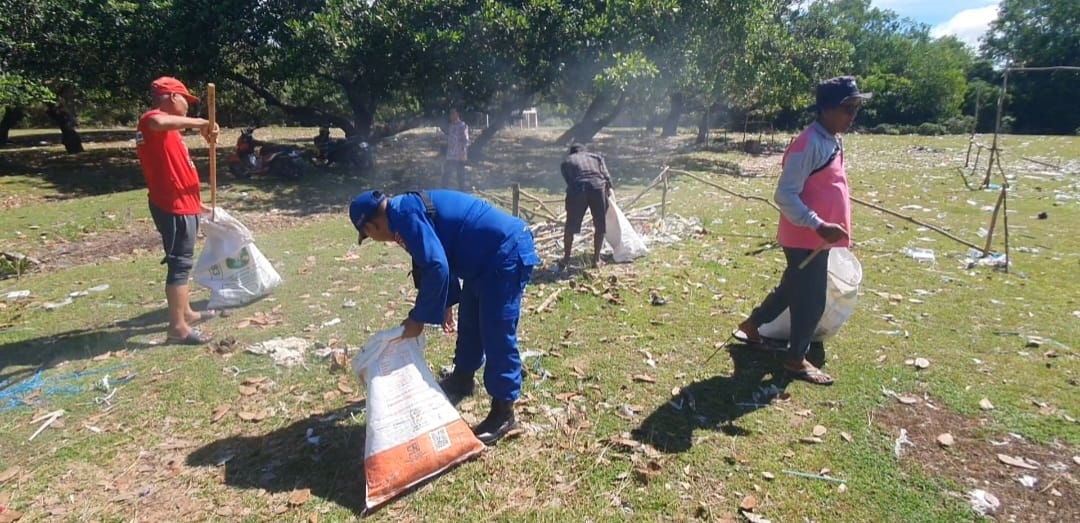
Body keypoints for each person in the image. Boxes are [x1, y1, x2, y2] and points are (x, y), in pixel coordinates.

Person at [349, 189, 540, 445]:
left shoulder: (404, 215)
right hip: (480, 262)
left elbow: (437, 265)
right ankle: (462, 380)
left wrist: (418, 318)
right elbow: (437, 254)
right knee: (470, 324)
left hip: (505, 251)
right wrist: (446, 301)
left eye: (369, 236)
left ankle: (503, 412)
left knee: (496, 331)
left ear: (371, 226)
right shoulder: (402, 213)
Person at [734, 76, 871, 386]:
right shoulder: (808, 142)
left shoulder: (830, 140)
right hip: (807, 237)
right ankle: (795, 359)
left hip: (818, 238)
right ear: (825, 109)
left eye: (856, 108)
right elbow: (784, 195)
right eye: (847, 108)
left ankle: (752, 325)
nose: (852, 116)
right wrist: (819, 224)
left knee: (792, 286)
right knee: (811, 301)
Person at [135, 76, 220, 345]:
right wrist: (202, 123)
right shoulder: (152, 120)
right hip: (172, 206)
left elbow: (176, 170)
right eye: (186, 100)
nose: (188, 106)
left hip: (184, 204)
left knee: (184, 260)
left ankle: (187, 313)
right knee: (180, 264)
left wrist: (197, 203)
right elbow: (158, 121)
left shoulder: (170, 133)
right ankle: (177, 327)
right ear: (172, 97)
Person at [559, 143, 613, 269]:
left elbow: (569, 181)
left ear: (572, 152)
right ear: (585, 151)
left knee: (570, 225)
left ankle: (566, 259)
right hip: (598, 187)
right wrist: (609, 192)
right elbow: (607, 177)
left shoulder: (567, 161)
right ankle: (596, 260)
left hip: (578, 189)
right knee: (600, 224)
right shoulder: (596, 157)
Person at [442, 109, 469, 190]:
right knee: (447, 173)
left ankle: (462, 191)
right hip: (450, 154)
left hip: (459, 155)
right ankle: (444, 189)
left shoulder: (462, 125)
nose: (451, 116)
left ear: (457, 114)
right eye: (450, 114)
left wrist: (463, 152)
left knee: (460, 175)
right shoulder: (451, 126)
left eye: (453, 114)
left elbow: (465, 140)